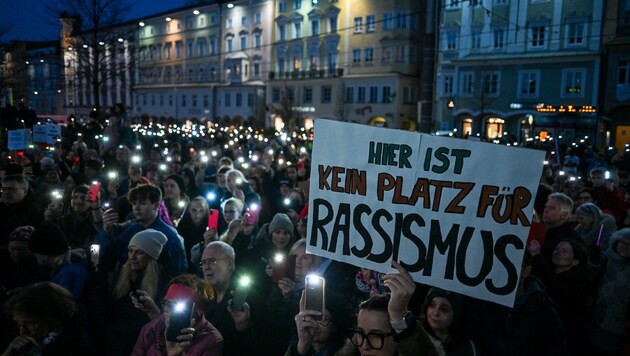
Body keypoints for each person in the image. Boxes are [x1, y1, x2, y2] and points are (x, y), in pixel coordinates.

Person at [102, 229, 169, 356]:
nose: (132, 257)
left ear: (151, 255)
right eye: (130, 250)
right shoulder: (123, 276)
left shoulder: (163, 283)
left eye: (139, 252)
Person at [98, 184, 187, 277]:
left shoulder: (168, 236)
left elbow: (175, 272)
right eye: (134, 203)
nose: (136, 208)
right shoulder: (131, 230)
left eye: (143, 203)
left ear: (156, 205)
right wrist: (105, 231)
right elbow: (109, 256)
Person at [132, 274, 223, 356]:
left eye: (181, 308)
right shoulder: (151, 329)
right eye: (168, 304)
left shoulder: (211, 341)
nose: (171, 313)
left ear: (197, 312)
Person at [200, 241, 263, 355]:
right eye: (203, 263)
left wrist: (243, 326)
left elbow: (259, 346)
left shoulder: (248, 297)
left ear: (229, 263)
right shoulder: (203, 295)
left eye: (212, 261)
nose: (206, 267)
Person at [529, 239, 590, 355]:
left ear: (575, 261)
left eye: (564, 251)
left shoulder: (579, 282)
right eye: (557, 249)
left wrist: (537, 257)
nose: (557, 252)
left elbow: (558, 292)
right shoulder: (550, 270)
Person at [1, 282, 94, 356]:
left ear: (54, 319)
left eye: (32, 323)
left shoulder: (76, 348)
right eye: (19, 324)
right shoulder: (23, 341)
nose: (22, 332)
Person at [588, 228, 630, 355]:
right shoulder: (605, 259)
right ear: (616, 243)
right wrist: (592, 261)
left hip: (618, 325)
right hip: (596, 317)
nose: (625, 247)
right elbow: (590, 274)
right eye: (622, 243)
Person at [28, 222, 90, 301]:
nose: (34, 256)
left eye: (35, 252)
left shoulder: (69, 274)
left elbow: (64, 305)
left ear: (45, 253)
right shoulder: (66, 267)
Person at [288, 288, 354, 356]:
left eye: (323, 319)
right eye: (311, 317)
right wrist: (302, 346)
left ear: (334, 326)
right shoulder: (295, 347)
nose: (315, 324)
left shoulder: (345, 351)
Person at [0, 174, 44, 245]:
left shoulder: (35, 210)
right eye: (3, 189)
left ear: (25, 191)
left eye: (12, 189)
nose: (6, 192)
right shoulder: (2, 207)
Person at [540, 192, 581, 264]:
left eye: (552, 208)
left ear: (564, 215)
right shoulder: (541, 229)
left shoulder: (570, 240)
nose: (545, 210)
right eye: (546, 206)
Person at [176, 196, 210, 272]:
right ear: (189, 210)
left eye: (201, 211)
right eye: (194, 210)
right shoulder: (182, 226)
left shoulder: (210, 227)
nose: (197, 214)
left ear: (206, 211)